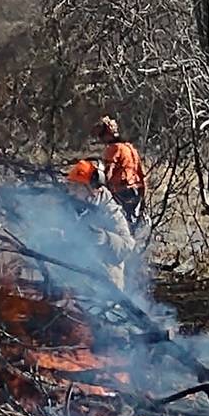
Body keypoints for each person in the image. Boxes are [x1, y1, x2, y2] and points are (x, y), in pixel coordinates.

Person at [64, 159, 136, 290]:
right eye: (70, 186)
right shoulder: (69, 206)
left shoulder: (110, 211)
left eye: (76, 187)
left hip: (106, 289)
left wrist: (106, 239)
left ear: (93, 189)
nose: (71, 192)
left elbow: (127, 246)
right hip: (75, 284)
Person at [92, 116, 147, 227]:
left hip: (122, 191)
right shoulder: (129, 148)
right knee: (132, 222)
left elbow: (108, 173)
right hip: (136, 191)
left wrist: (98, 187)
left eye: (101, 135)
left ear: (107, 134)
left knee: (115, 222)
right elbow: (142, 173)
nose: (101, 139)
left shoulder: (113, 149)